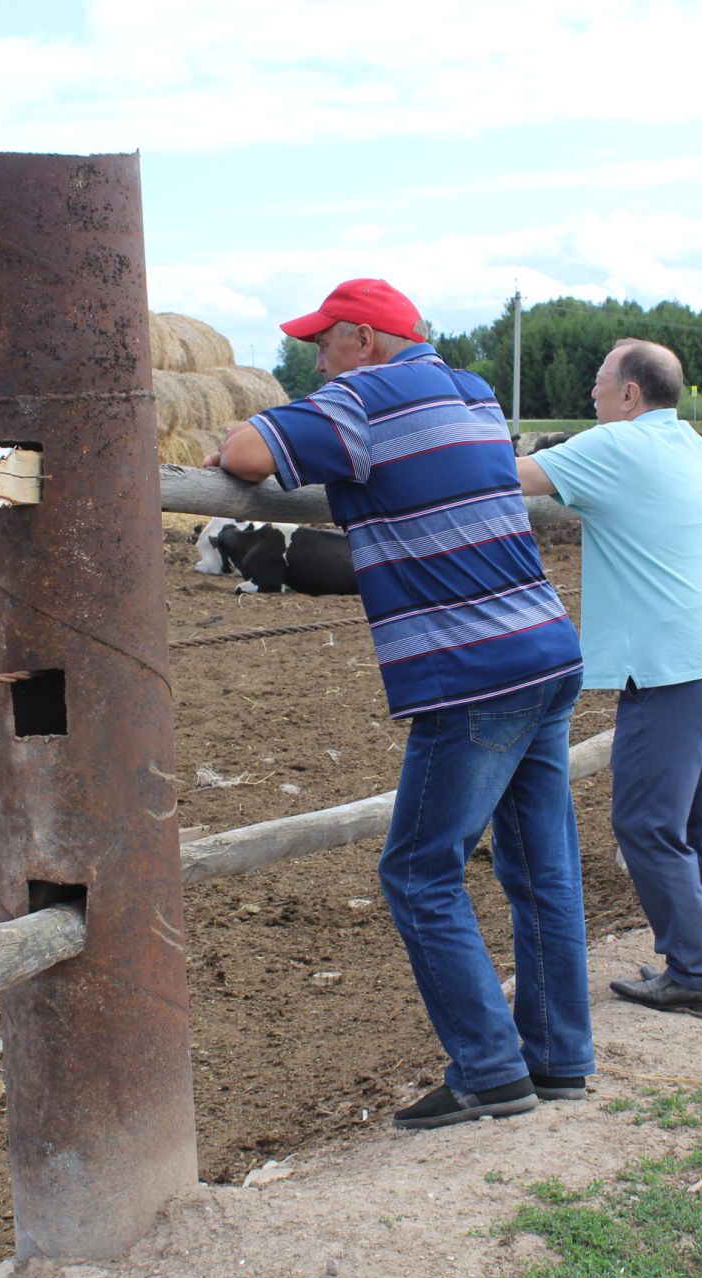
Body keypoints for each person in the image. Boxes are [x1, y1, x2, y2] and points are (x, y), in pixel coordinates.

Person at [205, 278, 591, 1130]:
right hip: (544, 646)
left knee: (418, 871)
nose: (315, 359)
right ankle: (560, 1058)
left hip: (471, 670)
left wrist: (266, 437)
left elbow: (242, 453)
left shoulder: (361, 398)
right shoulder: (472, 390)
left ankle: (490, 1071)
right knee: (540, 864)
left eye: (323, 343)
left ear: (363, 341)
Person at [516, 340, 702, 1016]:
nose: (591, 395)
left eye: (598, 381)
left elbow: (506, 477)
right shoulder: (684, 445)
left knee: (645, 820)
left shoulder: (616, 446)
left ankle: (699, 972)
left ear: (628, 394)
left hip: (669, 664)